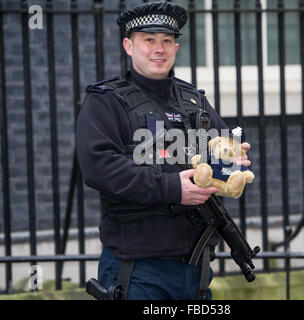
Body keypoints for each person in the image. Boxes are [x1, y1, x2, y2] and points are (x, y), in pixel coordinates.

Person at [76, 1, 251, 300]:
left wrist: (233, 162)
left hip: (196, 269)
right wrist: (172, 187)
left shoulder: (193, 99)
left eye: (167, 40)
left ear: (176, 48)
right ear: (129, 46)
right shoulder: (106, 101)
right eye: (149, 40)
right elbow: (99, 166)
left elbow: (225, 149)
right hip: (139, 271)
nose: (159, 48)